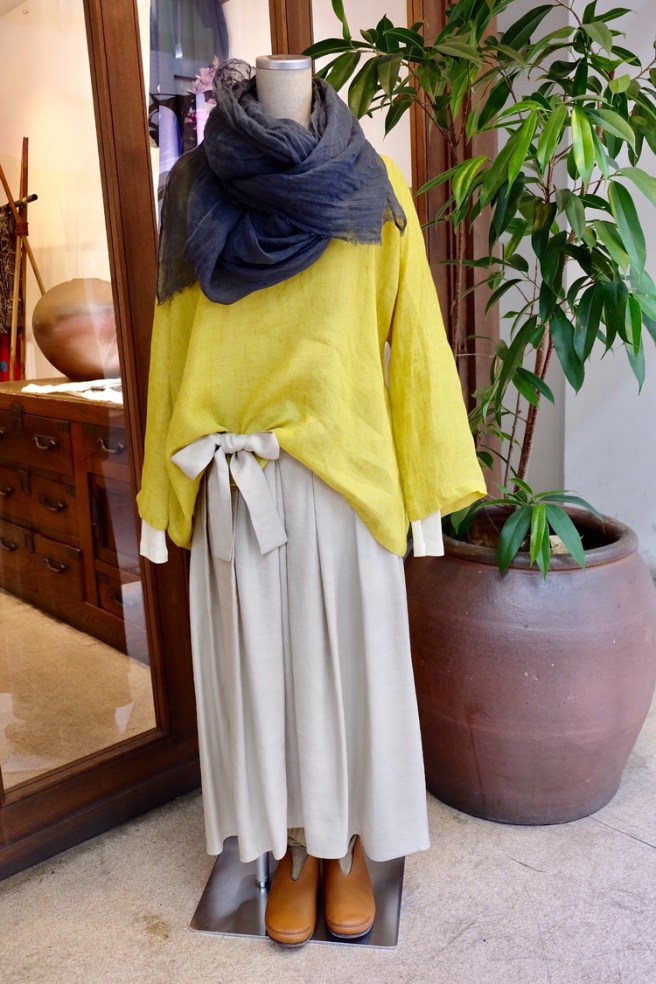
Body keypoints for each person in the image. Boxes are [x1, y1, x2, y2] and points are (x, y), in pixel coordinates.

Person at [137, 54, 486, 947]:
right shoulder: (191, 191)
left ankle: (347, 844)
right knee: (261, 687)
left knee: (349, 682)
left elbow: (413, 341)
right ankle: (292, 847)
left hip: (343, 484)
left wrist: (424, 490)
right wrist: (161, 497)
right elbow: (172, 346)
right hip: (234, 487)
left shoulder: (373, 185)